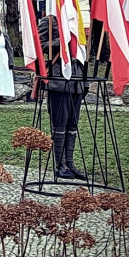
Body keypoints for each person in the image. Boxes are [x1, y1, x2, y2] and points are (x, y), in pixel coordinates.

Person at [37, 14, 87, 180]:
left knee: (72, 124)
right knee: (60, 124)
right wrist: (62, 41)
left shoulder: (73, 20)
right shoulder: (49, 21)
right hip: (58, 78)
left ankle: (70, 162)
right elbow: (40, 45)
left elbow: (81, 50)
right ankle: (59, 164)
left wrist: (84, 81)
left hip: (76, 79)